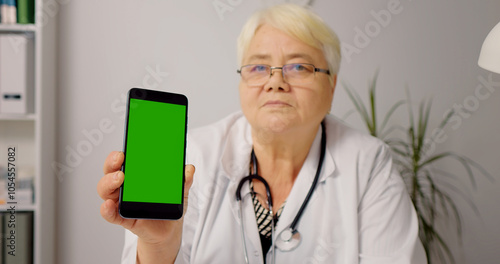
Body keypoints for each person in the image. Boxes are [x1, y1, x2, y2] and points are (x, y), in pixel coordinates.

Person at [98, 4, 426, 264]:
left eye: (299, 67)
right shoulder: (192, 157)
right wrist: (159, 247)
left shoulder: (368, 164)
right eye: (258, 67)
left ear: (331, 86)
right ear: (242, 83)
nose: (275, 82)